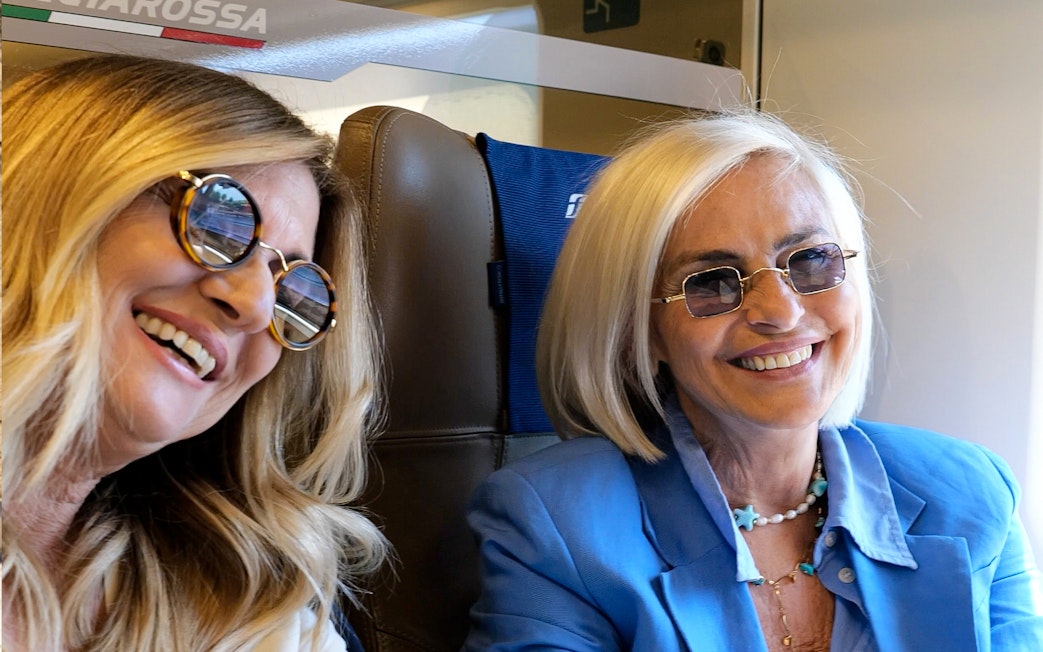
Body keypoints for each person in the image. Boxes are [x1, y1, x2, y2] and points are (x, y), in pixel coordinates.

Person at [463, 110, 1043, 650]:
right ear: (640, 328)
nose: (782, 313)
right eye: (712, 282)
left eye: (812, 260)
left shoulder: (972, 492)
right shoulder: (554, 523)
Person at [2, 54, 387, 651]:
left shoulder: (255, 612)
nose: (258, 308)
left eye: (295, 293)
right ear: (39, 195)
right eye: (218, 221)